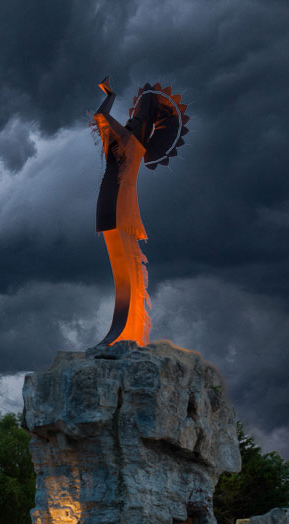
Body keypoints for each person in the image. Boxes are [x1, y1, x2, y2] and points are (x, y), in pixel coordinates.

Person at [92, 77, 187, 346]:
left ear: (143, 131)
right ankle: (123, 329)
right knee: (123, 271)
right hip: (111, 207)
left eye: (135, 121)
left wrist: (111, 96)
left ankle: (125, 330)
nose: (129, 122)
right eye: (131, 119)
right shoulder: (122, 142)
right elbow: (103, 122)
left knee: (129, 270)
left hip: (120, 208)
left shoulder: (131, 143)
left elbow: (101, 117)